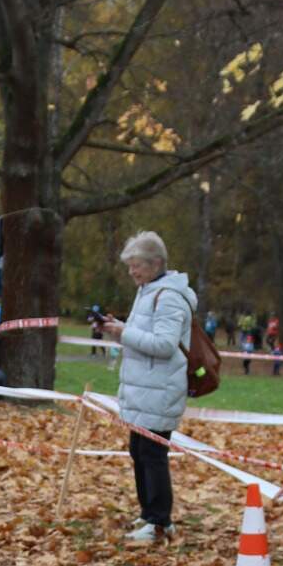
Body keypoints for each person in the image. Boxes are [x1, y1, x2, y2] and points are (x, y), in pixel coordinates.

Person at [97, 231, 194, 547]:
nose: (131, 272)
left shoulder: (168, 297)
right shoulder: (147, 291)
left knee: (153, 455)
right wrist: (118, 329)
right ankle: (148, 513)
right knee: (139, 451)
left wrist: (124, 333)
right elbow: (143, 336)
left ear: (155, 264)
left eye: (136, 265)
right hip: (143, 390)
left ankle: (160, 520)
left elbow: (165, 345)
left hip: (159, 390)